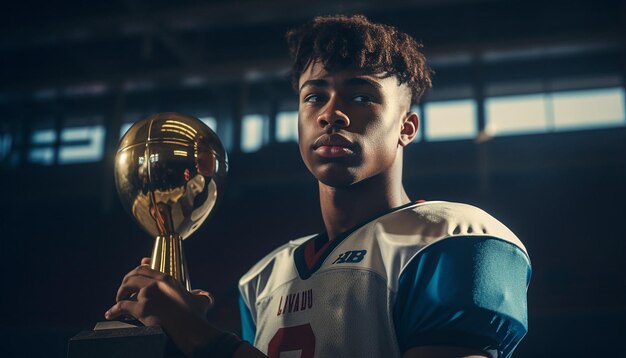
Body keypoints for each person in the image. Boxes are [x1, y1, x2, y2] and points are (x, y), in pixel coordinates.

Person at [106, 14, 531, 358]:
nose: (333, 114)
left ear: (407, 126)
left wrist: (205, 339)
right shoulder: (264, 279)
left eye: (361, 96)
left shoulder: (454, 239)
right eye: (314, 96)